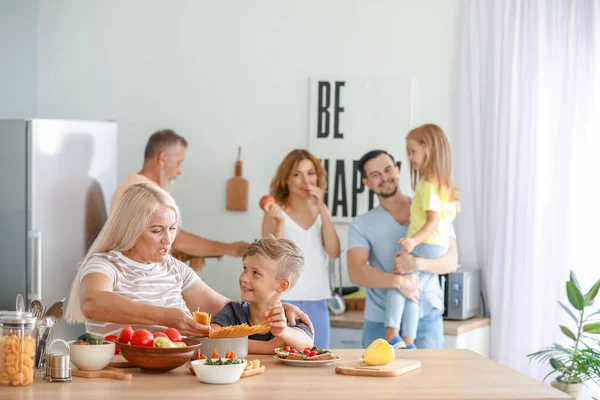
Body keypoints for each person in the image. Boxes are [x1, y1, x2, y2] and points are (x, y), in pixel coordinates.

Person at [65, 183, 312, 337]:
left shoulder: (174, 268)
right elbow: (93, 302)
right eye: (156, 230)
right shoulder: (105, 265)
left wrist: (272, 304)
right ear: (131, 229)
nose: (168, 240)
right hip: (119, 373)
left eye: (172, 229)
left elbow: (226, 308)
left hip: (174, 374)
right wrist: (165, 316)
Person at [347, 150, 458, 349]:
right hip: (380, 321)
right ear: (367, 183)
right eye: (375, 175)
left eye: (388, 170)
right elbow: (356, 271)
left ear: (397, 171)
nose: (384, 178)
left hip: (426, 318)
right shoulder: (362, 224)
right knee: (376, 380)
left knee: (429, 380)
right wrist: (400, 282)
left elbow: (451, 261)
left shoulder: (431, 207)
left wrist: (416, 263)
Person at [111, 129, 248, 259]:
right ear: (163, 158)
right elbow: (176, 240)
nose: (180, 171)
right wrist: (229, 249)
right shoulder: (144, 192)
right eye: (179, 162)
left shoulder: (132, 182)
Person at [385, 124, 459, 349]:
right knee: (413, 289)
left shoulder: (427, 185)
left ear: (428, 149)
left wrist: (414, 240)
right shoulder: (444, 186)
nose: (409, 157)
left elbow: (432, 221)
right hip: (438, 245)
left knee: (400, 282)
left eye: (412, 151)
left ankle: (392, 334)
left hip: (426, 243)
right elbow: (451, 213)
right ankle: (409, 341)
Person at [261, 149, 340, 348]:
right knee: (284, 363)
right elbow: (266, 259)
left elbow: (334, 252)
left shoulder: (321, 211)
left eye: (310, 173)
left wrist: (323, 208)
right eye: (297, 174)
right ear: (286, 179)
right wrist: (279, 223)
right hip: (285, 300)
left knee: (320, 359)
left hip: (317, 298)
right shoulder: (275, 210)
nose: (305, 180)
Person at [210, 236, 314, 354]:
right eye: (245, 268)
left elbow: (307, 343)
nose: (244, 278)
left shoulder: (290, 318)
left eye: (256, 273)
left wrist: (283, 332)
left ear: (282, 285)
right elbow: (212, 338)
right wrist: (268, 347)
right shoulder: (234, 311)